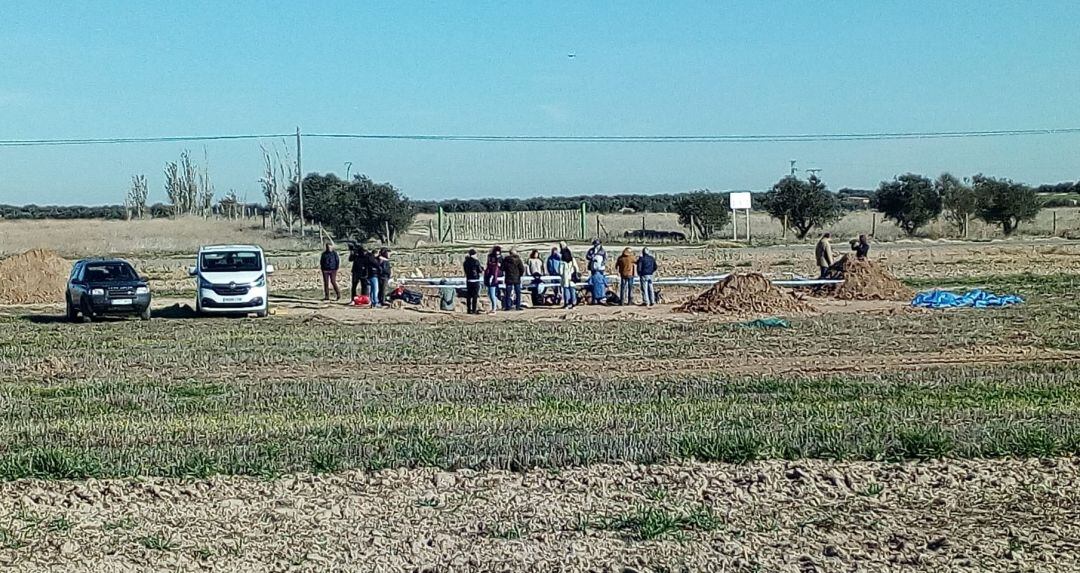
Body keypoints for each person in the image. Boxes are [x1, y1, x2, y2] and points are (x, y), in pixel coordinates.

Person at [463, 248, 483, 314]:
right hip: (475, 280)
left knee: (468, 296)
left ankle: (469, 310)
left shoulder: (465, 262)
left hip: (468, 280)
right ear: (474, 254)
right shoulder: (476, 261)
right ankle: (474, 309)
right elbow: (480, 270)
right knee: (475, 296)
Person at [484, 246, 503, 314]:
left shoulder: (497, 262)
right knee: (490, 294)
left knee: (492, 294)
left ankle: (494, 308)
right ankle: (494, 307)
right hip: (492, 277)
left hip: (494, 278)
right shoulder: (491, 262)